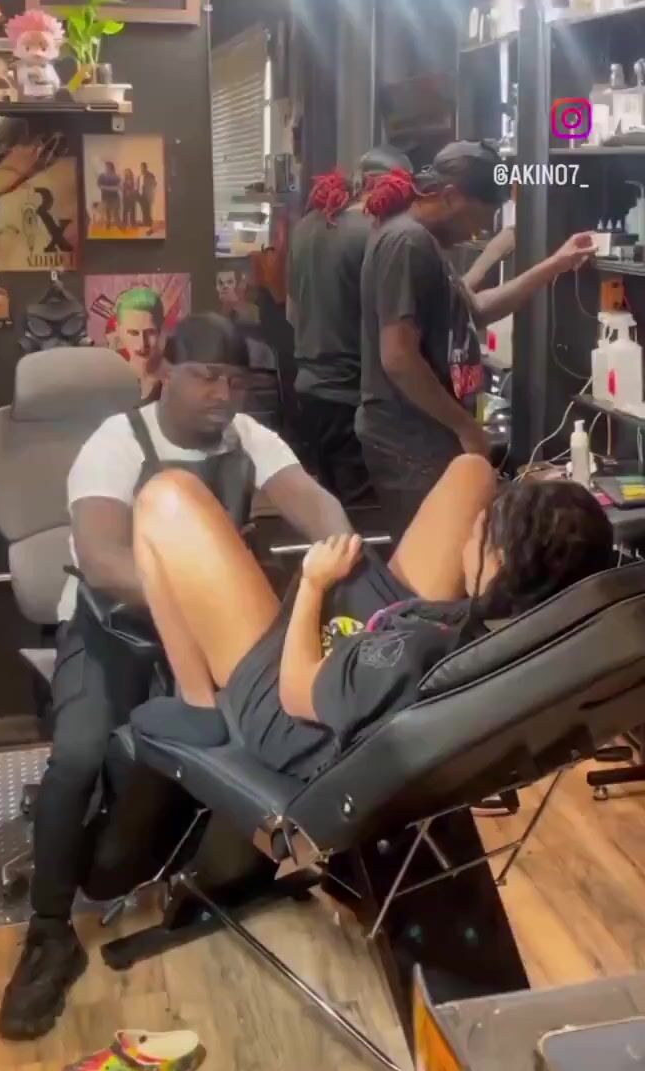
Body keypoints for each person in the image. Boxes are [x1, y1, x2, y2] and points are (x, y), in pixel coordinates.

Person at [0, 313, 354, 1042]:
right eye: (206, 377)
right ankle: (49, 932)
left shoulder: (249, 439)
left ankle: (228, 867)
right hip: (113, 628)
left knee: (267, 729)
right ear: (165, 371)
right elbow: (102, 559)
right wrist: (193, 594)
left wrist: (342, 547)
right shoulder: (116, 443)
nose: (223, 395)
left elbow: (313, 502)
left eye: (235, 381)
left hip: (198, 630)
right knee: (79, 755)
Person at [90, 459, 613, 888]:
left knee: (164, 495)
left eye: (487, 528)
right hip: (388, 637)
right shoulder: (527, 628)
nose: (478, 522)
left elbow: (297, 691)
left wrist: (314, 583)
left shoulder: (402, 659)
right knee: (473, 470)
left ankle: (198, 702)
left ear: (498, 563)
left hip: (288, 704)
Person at [357, 139, 598, 537]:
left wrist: (556, 264)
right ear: (451, 196)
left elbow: (477, 309)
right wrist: (466, 427)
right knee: (437, 557)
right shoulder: (407, 242)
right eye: (479, 217)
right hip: (411, 438)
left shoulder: (423, 242)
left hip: (425, 435)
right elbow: (398, 357)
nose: (479, 231)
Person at [286, 146, 412, 507]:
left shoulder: (306, 227)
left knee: (332, 507)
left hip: (309, 392)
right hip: (351, 400)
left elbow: (292, 312)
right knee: (366, 516)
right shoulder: (375, 236)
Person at [110, 286, 165, 401]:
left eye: (150, 332)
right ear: (118, 330)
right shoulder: (110, 383)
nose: (142, 344)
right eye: (133, 333)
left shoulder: (176, 385)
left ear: (160, 330)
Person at [97, 161, 121, 230]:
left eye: (108, 167)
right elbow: (100, 186)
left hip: (115, 197)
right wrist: (111, 188)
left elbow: (117, 188)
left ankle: (120, 227)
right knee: (107, 213)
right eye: (106, 167)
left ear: (112, 168)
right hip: (105, 197)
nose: (107, 168)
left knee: (115, 213)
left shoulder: (116, 176)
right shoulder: (101, 176)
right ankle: (108, 225)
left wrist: (106, 188)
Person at [137, 161, 157, 230]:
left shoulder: (150, 175)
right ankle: (145, 222)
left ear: (146, 167)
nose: (142, 168)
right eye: (141, 167)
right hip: (140, 194)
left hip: (147, 194)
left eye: (143, 167)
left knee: (148, 209)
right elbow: (138, 185)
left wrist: (148, 186)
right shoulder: (139, 176)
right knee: (143, 209)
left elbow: (154, 184)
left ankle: (149, 223)